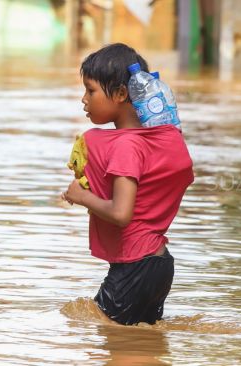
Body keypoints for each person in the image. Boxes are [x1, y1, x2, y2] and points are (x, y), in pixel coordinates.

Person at [61, 43, 194, 325]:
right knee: (140, 344)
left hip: (136, 265)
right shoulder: (148, 142)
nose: (84, 99)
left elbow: (122, 214)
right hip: (157, 263)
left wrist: (82, 196)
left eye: (91, 90)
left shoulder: (126, 147)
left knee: (100, 332)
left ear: (121, 94)